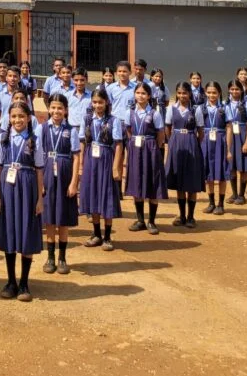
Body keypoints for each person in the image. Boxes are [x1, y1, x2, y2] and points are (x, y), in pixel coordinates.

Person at [0, 100, 44, 301]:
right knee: (10, 231)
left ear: (29, 118)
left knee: (26, 232)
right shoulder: (3, 138)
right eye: (14, 116)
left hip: (27, 187)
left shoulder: (34, 139)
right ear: (9, 118)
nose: (17, 120)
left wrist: (40, 198)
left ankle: (24, 283)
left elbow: (40, 169)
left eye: (21, 116)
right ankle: (11, 281)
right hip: (7, 188)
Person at [80, 89, 124, 251]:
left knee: (106, 196)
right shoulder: (87, 119)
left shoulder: (114, 121)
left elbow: (119, 144)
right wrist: (81, 165)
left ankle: (107, 237)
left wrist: (115, 167)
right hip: (91, 158)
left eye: (100, 102)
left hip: (106, 158)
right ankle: (96, 234)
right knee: (93, 195)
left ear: (106, 103)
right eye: (95, 102)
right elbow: (83, 142)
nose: (97, 105)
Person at [41, 93, 79, 272]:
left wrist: (74, 183)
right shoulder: (42, 129)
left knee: (62, 217)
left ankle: (63, 258)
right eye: (53, 108)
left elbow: (77, 157)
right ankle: (50, 258)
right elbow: (38, 156)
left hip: (65, 175)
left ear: (66, 111)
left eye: (60, 108)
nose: (56, 111)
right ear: (49, 109)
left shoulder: (71, 130)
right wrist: (39, 182)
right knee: (49, 216)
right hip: (47, 172)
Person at [125, 82, 167, 234]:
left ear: (149, 96)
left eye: (144, 93)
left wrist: (153, 147)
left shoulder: (154, 113)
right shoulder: (129, 112)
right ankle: (140, 220)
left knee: (152, 183)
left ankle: (152, 221)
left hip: (150, 150)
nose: (140, 96)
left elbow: (161, 134)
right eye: (138, 93)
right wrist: (133, 143)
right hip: (135, 150)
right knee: (137, 183)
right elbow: (129, 131)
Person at [165, 81, 205, 227]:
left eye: (185, 93)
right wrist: (172, 143)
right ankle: (181, 216)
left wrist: (193, 144)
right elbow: (168, 127)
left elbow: (201, 132)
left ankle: (191, 217)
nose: (182, 96)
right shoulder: (171, 108)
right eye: (179, 93)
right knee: (179, 181)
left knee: (191, 181)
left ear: (190, 94)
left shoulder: (196, 110)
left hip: (191, 144)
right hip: (176, 145)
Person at [201, 82, 230, 215]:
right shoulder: (201, 109)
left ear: (219, 93)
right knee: (208, 174)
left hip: (220, 141)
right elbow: (199, 129)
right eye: (209, 92)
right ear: (205, 93)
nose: (211, 95)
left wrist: (229, 149)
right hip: (206, 142)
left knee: (222, 174)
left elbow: (229, 129)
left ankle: (220, 204)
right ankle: (211, 202)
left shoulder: (224, 108)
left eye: (214, 93)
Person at [225, 79, 247, 205]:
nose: (234, 91)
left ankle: (242, 195)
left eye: (237, 89)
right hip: (230, 136)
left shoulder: (246, 104)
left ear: (241, 90)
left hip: (242, 135)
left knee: (242, 168)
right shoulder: (225, 104)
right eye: (232, 89)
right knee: (232, 167)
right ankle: (234, 193)